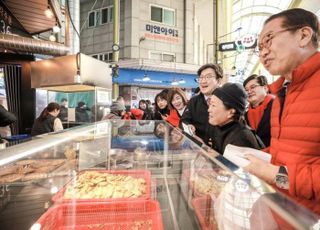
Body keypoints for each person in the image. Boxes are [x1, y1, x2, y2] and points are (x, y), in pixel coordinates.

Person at [244, 8, 320, 215]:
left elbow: (282, 172)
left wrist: (274, 174)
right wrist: (259, 157)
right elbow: (292, 153)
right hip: (285, 211)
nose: (263, 53)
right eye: (259, 48)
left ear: (304, 36)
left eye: (269, 40)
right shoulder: (283, 92)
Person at [207, 83, 263, 154]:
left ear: (231, 112)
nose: (209, 110)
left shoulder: (241, 138)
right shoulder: (220, 126)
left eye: (213, 105)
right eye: (210, 104)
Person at [180, 63, 223, 142]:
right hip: (198, 147)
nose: (203, 81)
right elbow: (183, 121)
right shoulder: (194, 101)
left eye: (208, 77)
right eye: (201, 77)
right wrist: (188, 126)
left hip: (220, 150)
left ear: (219, 81)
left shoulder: (225, 101)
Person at [243, 74, 274, 147]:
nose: (249, 92)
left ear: (265, 88)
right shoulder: (245, 115)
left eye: (253, 87)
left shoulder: (277, 106)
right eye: (246, 90)